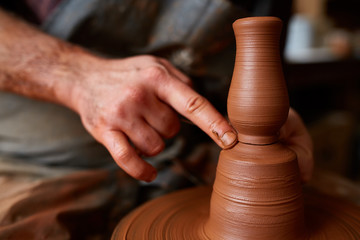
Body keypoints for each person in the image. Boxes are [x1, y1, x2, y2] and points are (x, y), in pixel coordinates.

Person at [0, 0, 313, 238]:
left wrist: (264, 113)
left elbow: (258, 48)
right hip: (45, 163)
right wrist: (74, 74)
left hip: (209, 156)